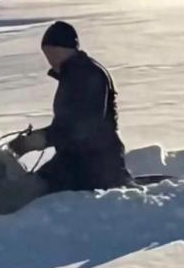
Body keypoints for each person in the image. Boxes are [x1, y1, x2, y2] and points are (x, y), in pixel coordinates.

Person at [8, 20, 133, 193]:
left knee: (38, 193)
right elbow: (67, 125)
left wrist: (39, 140)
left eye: (51, 52)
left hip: (95, 165)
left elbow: (83, 126)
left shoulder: (88, 75)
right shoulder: (74, 75)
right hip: (77, 160)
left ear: (64, 49)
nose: (49, 59)